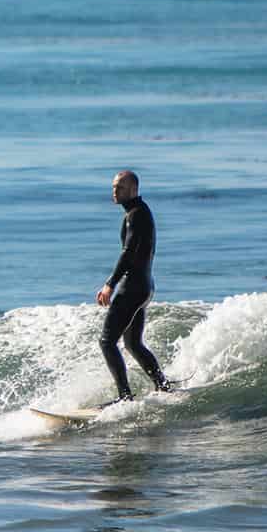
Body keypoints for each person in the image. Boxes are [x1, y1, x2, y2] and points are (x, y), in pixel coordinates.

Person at [95, 170, 171, 404]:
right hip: (144, 287)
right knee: (132, 343)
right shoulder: (139, 212)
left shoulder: (136, 215)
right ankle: (163, 386)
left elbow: (128, 253)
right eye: (114, 187)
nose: (114, 192)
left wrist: (110, 284)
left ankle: (124, 397)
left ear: (134, 189)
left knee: (107, 342)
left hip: (133, 288)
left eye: (120, 188)